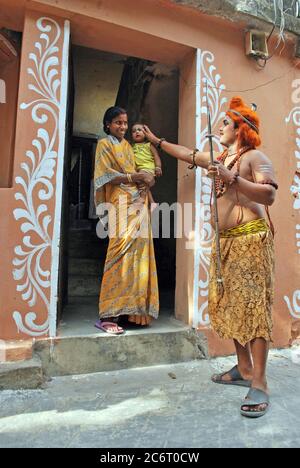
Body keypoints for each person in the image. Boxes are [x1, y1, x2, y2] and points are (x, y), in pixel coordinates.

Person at [143, 96, 278, 418]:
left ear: (241, 129)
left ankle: (259, 381)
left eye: (225, 123)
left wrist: (233, 179)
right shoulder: (221, 159)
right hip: (225, 243)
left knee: (253, 309)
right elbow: (188, 154)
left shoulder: (254, 157)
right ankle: (243, 367)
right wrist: (156, 141)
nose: (219, 127)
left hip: (251, 241)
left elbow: (270, 193)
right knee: (226, 304)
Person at [94, 106, 159, 334]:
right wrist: (135, 177)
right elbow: (105, 175)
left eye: (124, 122)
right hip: (119, 204)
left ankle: (134, 313)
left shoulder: (129, 148)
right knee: (119, 254)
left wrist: (147, 182)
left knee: (139, 255)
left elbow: (141, 171)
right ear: (108, 125)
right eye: (118, 123)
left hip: (138, 203)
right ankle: (108, 315)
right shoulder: (104, 145)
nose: (122, 127)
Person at [131, 123, 162, 210]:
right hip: (139, 170)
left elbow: (156, 157)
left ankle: (142, 198)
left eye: (139, 130)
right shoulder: (132, 147)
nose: (136, 132)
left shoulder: (149, 145)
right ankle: (152, 202)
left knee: (141, 182)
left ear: (146, 134)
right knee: (144, 185)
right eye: (133, 131)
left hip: (148, 168)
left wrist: (158, 167)